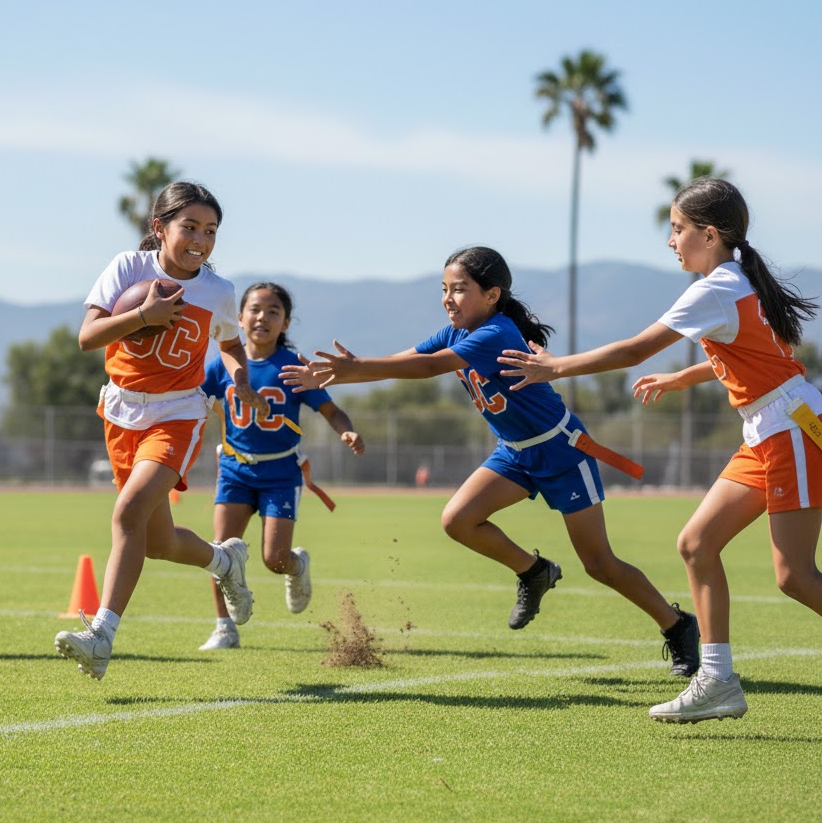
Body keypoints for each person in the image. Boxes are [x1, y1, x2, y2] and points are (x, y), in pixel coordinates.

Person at [282, 246, 700, 677]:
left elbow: (428, 370)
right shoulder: (456, 331)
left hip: (561, 453)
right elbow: (411, 360)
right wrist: (344, 372)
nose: (448, 298)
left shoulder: (496, 332)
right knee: (457, 520)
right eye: (444, 289)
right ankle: (535, 571)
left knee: (600, 564)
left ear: (492, 295)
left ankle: (678, 626)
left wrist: (355, 367)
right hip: (515, 453)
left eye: (459, 289)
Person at [498, 177, 822, 724]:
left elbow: (633, 350)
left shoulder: (717, 286)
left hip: (790, 429)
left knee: (793, 576)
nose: (671, 241)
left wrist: (555, 366)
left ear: (709, 234)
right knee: (696, 543)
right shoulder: (737, 280)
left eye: (677, 230)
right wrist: (682, 380)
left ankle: (715, 679)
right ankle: (717, 681)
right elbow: (770, 354)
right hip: (771, 428)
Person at [54, 181, 269, 680]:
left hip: (177, 412)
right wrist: (141, 316)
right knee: (157, 542)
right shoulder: (129, 267)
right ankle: (223, 563)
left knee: (127, 511)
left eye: (211, 230)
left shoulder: (219, 291)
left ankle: (101, 635)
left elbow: (231, 346)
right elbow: (87, 337)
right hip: (121, 412)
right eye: (189, 226)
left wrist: (239, 378)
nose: (200, 239)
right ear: (159, 228)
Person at [199, 282, 364, 650]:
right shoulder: (222, 364)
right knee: (220, 551)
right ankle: (224, 627)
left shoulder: (293, 367)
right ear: (238, 318)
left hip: (279, 474)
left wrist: (347, 432)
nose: (263, 317)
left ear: (286, 322)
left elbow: (331, 410)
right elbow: (198, 401)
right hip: (235, 471)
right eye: (255, 309)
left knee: (273, 559)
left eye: (273, 311)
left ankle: (296, 565)